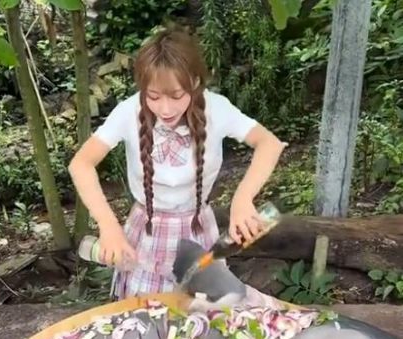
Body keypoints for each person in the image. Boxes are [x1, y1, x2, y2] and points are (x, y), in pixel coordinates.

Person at [68, 27, 286, 300]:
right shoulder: (128, 112)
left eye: (176, 96)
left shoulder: (216, 109)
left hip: (197, 230)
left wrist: (242, 199)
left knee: (202, 311)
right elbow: (81, 163)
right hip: (146, 232)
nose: (165, 109)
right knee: (143, 314)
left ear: (195, 82)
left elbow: (269, 143)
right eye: (153, 97)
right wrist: (108, 226)